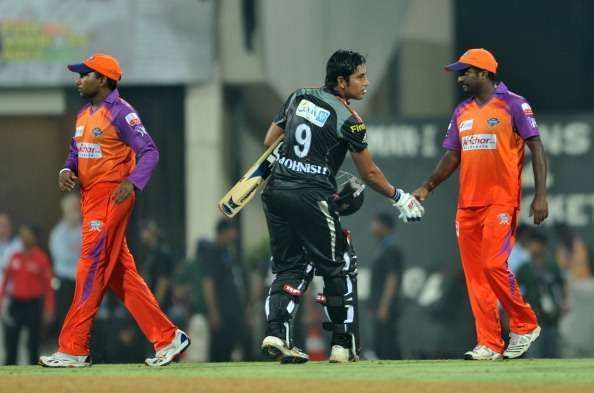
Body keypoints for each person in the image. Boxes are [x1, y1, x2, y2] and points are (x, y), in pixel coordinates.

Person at [260, 49, 424, 364]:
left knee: (288, 267)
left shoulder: (298, 97)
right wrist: (399, 196)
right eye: (360, 76)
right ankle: (341, 344)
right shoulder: (350, 119)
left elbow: (271, 141)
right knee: (336, 266)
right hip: (312, 196)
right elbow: (370, 174)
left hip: (277, 191)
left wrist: (297, 163)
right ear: (341, 81)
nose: (366, 82)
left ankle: (276, 333)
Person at [39, 53, 189, 368]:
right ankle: (169, 337)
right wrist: (66, 171)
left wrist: (133, 183)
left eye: (84, 75)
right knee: (122, 276)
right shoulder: (83, 114)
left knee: (90, 265)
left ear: (103, 79)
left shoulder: (122, 113)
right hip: (91, 198)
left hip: (113, 196)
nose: (78, 80)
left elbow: (150, 152)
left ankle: (74, 348)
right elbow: (75, 154)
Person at [413, 48, 548, 360]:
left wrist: (540, 195)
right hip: (467, 206)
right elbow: (452, 156)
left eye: (466, 72)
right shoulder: (462, 111)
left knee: (492, 265)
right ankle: (489, 341)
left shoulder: (514, 104)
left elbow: (536, 148)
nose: (461, 78)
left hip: (501, 200)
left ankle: (525, 323)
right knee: (476, 277)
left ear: (484, 73)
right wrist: (428, 186)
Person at [0, 224, 54, 365]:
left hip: (33, 305)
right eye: (21, 235)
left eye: (27, 235)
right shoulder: (14, 257)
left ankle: (33, 375)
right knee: (11, 342)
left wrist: (49, 308)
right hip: (15, 304)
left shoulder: (41, 259)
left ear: (34, 238)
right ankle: (8, 373)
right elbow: (5, 282)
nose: (23, 238)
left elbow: (48, 287)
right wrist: (1, 301)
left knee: (33, 344)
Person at [199, 219, 250, 362]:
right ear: (223, 232)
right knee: (219, 351)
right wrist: (213, 311)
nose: (234, 235)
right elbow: (208, 283)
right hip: (222, 311)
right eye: (231, 231)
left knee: (236, 348)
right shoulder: (212, 253)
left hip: (235, 311)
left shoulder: (230, 254)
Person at [516, 230, 566, 358]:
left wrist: (563, 305)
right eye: (532, 244)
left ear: (543, 246)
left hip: (551, 317)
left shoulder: (552, 267)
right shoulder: (524, 269)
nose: (534, 247)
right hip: (532, 317)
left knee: (553, 353)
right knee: (534, 354)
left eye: (537, 244)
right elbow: (515, 292)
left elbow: (561, 287)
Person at [368, 212, 403, 359]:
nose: (372, 227)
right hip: (379, 304)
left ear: (384, 226)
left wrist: (384, 306)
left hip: (386, 305)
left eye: (375, 223)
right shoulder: (382, 247)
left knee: (388, 344)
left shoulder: (391, 248)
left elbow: (392, 278)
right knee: (380, 344)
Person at [49, 193, 82, 333]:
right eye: (71, 209)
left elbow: (94, 254)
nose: (74, 212)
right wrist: (79, 251)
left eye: (76, 208)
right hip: (64, 284)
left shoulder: (88, 229)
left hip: (85, 283)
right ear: (65, 211)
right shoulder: (57, 233)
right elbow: (63, 256)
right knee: (65, 322)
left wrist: (77, 251)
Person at [139, 219, 174, 313]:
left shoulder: (162, 253)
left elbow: (163, 281)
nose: (142, 234)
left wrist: (155, 308)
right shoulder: (149, 253)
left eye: (144, 230)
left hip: (160, 308)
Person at [0, 212, 22, 283]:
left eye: (6, 225)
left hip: (12, 287)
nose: (4, 228)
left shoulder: (19, 244)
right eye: (1, 225)